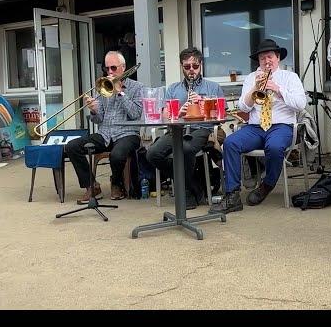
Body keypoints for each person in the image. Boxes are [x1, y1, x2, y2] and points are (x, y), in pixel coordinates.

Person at [210, 39, 307, 213]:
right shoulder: (251, 78)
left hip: (281, 125)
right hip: (255, 127)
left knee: (275, 146)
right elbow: (243, 107)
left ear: (278, 58)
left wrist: (277, 89)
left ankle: (267, 184)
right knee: (230, 143)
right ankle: (232, 196)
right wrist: (255, 87)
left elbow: (300, 104)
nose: (266, 61)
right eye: (262, 58)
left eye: (269, 57)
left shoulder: (290, 77)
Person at [146, 47, 223, 209]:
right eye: (187, 67)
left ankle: (186, 192)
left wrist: (203, 105)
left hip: (201, 128)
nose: (191, 70)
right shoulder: (173, 88)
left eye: (195, 66)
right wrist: (178, 113)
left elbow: (219, 117)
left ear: (200, 65)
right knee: (153, 154)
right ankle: (192, 185)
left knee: (186, 149)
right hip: (177, 129)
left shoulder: (213, 87)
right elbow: (165, 117)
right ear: (182, 67)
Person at [65, 50, 143, 203]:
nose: (110, 72)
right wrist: (94, 110)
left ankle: (116, 183)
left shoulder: (137, 87)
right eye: (107, 69)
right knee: (72, 146)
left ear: (123, 67)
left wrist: (120, 93)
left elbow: (135, 113)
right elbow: (98, 119)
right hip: (105, 133)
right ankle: (92, 185)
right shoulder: (103, 87)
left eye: (113, 68)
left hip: (128, 133)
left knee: (117, 154)